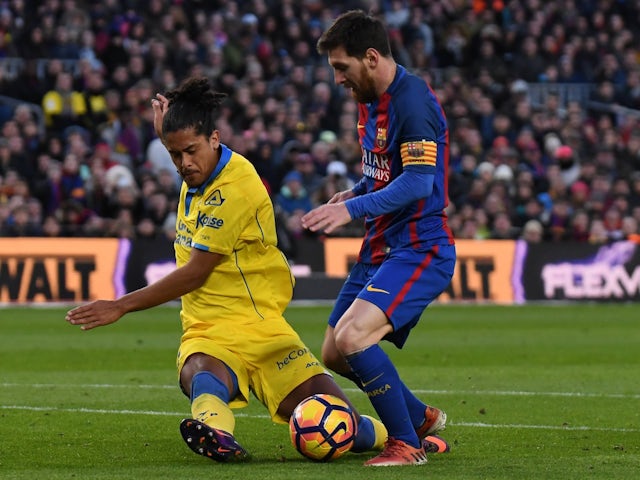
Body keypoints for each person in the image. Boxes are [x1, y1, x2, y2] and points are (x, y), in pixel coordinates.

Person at [65, 76, 389, 462]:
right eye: (174, 154)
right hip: (209, 326)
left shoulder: (237, 186)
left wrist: (120, 305)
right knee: (201, 370)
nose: (184, 163)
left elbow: (195, 273)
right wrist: (168, 130)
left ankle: (398, 433)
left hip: (263, 327)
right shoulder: (198, 163)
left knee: (343, 425)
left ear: (215, 139)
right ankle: (215, 431)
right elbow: (184, 144)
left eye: (190, 151)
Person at [302, 10, 456, 467]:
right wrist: (356, 191)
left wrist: (348, 210)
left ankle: (406, 445)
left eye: (341, 67)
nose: (337, 79)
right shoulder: (371, 99)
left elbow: (417, 184)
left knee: (353, 339)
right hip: (380, 247)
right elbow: (385, 175)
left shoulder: (413, 103)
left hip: (419, 248)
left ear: (371, 58)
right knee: (334, 352)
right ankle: (418, 418)